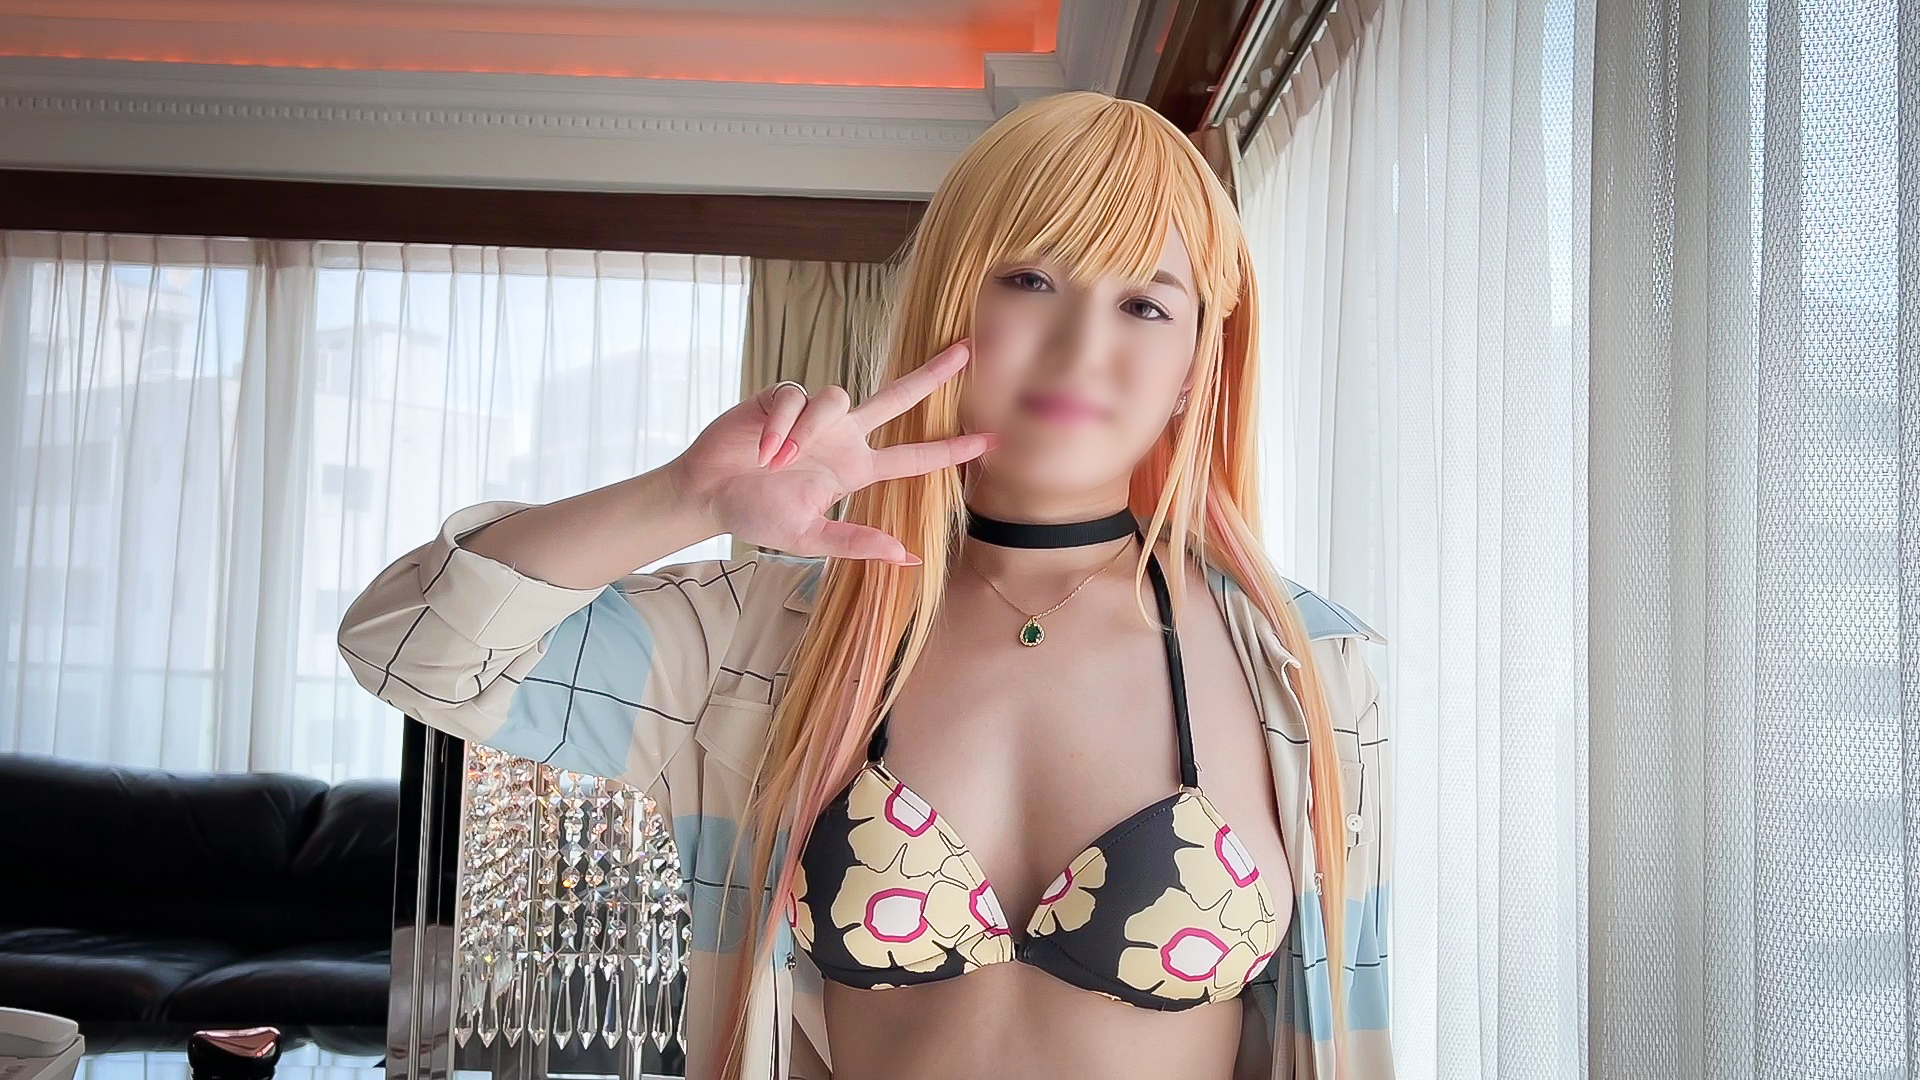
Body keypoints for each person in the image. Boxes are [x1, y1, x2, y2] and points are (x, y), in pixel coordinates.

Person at [338, 90, 1392, 1080]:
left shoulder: (1306, 669)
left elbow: (1349, 1018)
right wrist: (686, 496)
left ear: (1200, 364)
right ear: (950, 299)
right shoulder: (772, 637)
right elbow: (413, 649)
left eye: (1145, 305)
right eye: (1033, 281)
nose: (1082, 348)